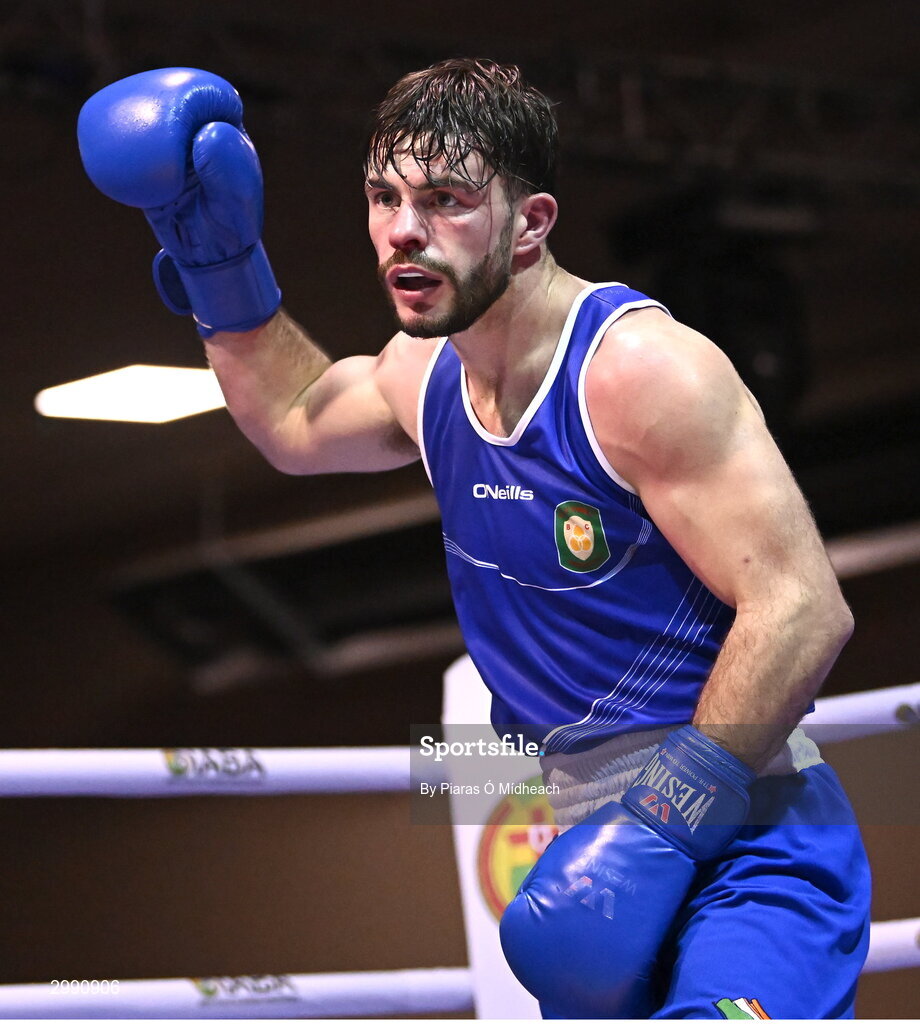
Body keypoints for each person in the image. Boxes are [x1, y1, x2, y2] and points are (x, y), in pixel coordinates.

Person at [77, 58, 871, 1019]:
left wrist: (665, 817)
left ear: (530, 223)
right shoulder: (425, 375)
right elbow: (293, 417)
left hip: (744, 825)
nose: (403, 231)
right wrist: (218, 264)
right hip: (588, 846)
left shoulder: (638, 370)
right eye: (384, 197)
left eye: (445, 200)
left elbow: (801, 606)